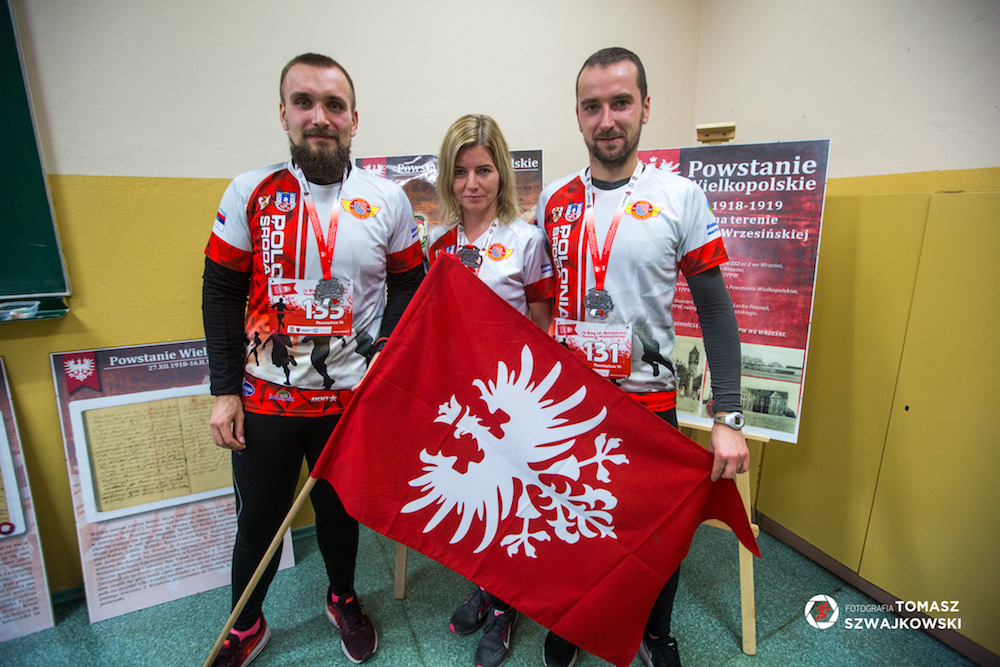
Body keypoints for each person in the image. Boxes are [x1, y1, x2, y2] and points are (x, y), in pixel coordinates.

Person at [202, 52, 425, 666]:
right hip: (265, 399)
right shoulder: (250, 191)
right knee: (259, 523)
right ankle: (246, 625)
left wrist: (383, 353)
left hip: (350, 401)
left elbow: (410, 281)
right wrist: (224, 390)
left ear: (354, 118)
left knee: (339, 513)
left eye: (334, 105)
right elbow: (221, 291)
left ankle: (342, 597)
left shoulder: (388, 198)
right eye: (304, 102)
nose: (319, 117)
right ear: (284, 114)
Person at [533, 47, 749, 667]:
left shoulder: (681, 197)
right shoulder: (553, 200)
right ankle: (573, 620)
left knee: (657, 538)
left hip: (649, 407)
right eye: (592, 106)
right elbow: (541, 307)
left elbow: (716, 313)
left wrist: (729, 417)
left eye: (621, 103)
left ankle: (654, 632)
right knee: (569, 525)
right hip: (571, 408)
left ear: (645, 108)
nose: (607, 120)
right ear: (578, 114)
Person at [427, 114, 555, 667]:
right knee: (477, 500)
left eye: (482, 170)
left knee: (512, 505)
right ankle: (486, 588)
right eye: (460, 172)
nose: (472, 184)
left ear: (501, 172)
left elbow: (543, 324)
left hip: (512, 401)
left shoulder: (526, 241)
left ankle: (507, 606)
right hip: (460, 402)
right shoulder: (438, 245)